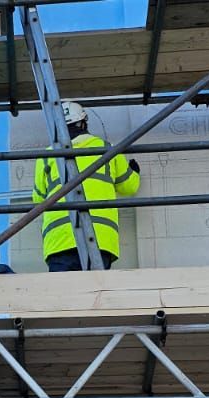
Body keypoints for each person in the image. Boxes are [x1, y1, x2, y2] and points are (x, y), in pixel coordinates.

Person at [33, 100, 140, 272]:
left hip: (59, 241)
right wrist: (134, 172)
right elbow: (129, 187)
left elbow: (38, 198)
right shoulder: (107, 149)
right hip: (100, 238)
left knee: (64, 296)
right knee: (95, 294)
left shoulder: (47, 155)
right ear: (83, 122)